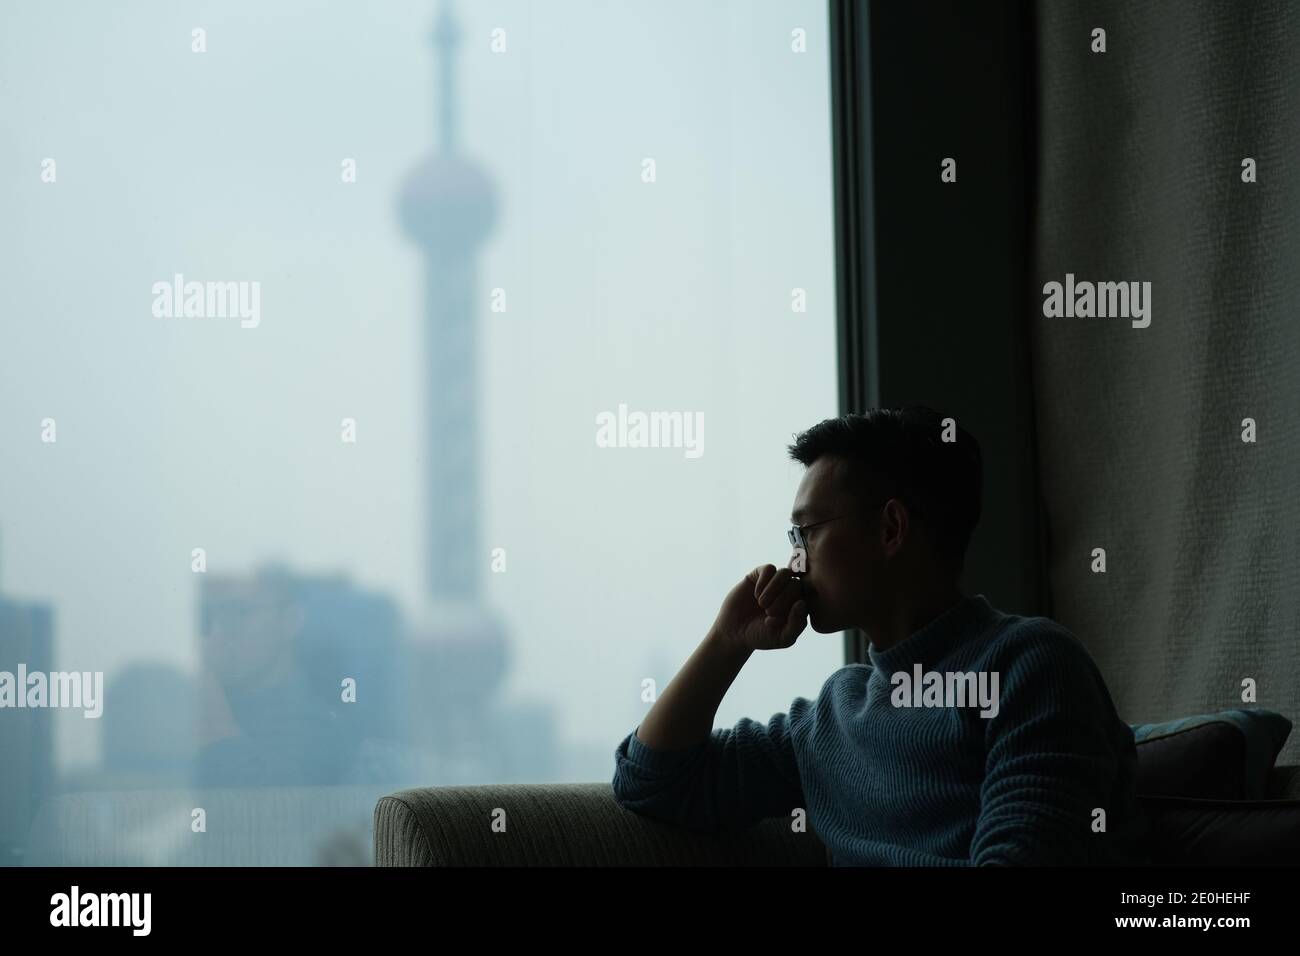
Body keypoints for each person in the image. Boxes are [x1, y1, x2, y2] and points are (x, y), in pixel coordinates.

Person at [611, 406, 1150, 865]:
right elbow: (650, 781)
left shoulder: (1030, 667)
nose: (792, 561)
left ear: (891, 529)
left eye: (806, 532)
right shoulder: (832, 717)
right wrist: (727, 642)